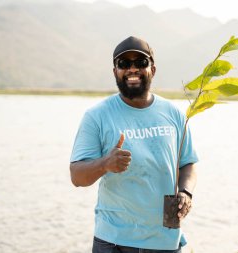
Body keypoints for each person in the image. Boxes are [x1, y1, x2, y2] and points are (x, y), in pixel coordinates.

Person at [70, 36, 198, 253]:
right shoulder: (97, 116)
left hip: (166, 240)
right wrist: (104, 164)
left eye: (140, 63)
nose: (132, 69)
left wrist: (186, 192)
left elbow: (188, 162)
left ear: (153, 70)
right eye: (124, 64)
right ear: (115, 72)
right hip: (115, 241)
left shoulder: (173, 114)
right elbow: (76, 176)